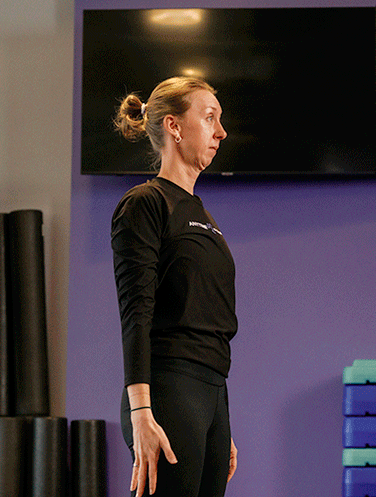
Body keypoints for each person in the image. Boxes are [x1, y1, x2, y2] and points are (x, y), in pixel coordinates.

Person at [111, 77, 238, 497]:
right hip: (168, 389)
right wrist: (141, 412)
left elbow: (209, 321)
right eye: (209, 117)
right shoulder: (145, 203)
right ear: (175, 126)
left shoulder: (204, 215)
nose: (221, 132)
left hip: (210, 395)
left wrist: (221, 421)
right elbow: (136, 314)